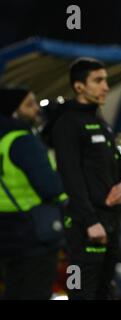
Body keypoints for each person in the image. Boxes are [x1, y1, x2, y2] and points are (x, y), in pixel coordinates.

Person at [49, 58, 121, 299]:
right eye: (98, 80)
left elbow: (118, 168)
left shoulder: (100, 122)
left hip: (110, 223)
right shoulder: (67, 123)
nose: (106, 86)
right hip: (86, 227)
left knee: (105, 292)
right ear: (79, 87)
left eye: (105, 80)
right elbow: (70, 176)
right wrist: (90, 221)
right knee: (83, 292)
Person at [0, 87, 67, 299]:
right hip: (34, 236)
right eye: (29, 105)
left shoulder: (3, 142)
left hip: (6, 233)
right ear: (13, 111)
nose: (36, 109)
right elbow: (51, 187)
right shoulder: (24, 141)